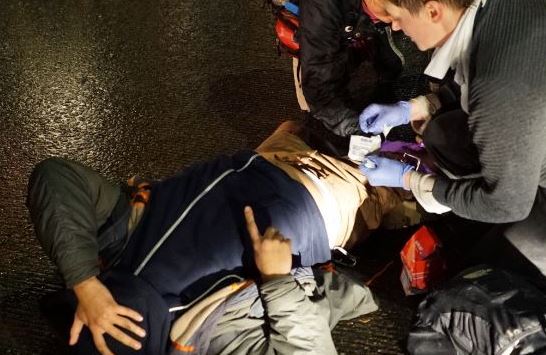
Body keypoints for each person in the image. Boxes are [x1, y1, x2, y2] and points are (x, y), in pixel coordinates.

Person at [28, 121, 408, 354]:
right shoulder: (209, 339)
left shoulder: (117, 245)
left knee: (323, 115)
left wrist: (84, 282)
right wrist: (276, 282)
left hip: (268, 157)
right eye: (124, 326)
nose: (120, 313)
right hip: (329, 198)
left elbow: (54, 176)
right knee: (417, 179)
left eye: (104, 311)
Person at [357, 0, 546, 279]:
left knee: (482, 272)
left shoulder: (498, 91)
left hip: (523, 185)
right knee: (443, 134)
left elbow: (507, 204)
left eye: (397, 17)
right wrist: (418, 106)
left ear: (433, 11)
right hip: (529, 128)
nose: (394, 26)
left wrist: (412, 180)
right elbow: (473, 77)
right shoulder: (496, 11)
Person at [294, 0, 405, 137]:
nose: (396, 26)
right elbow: (319, 88)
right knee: (320, 121)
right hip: (319, 50)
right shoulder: (322, 8)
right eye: (389, 13)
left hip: (359, 30)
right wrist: (359, 131)